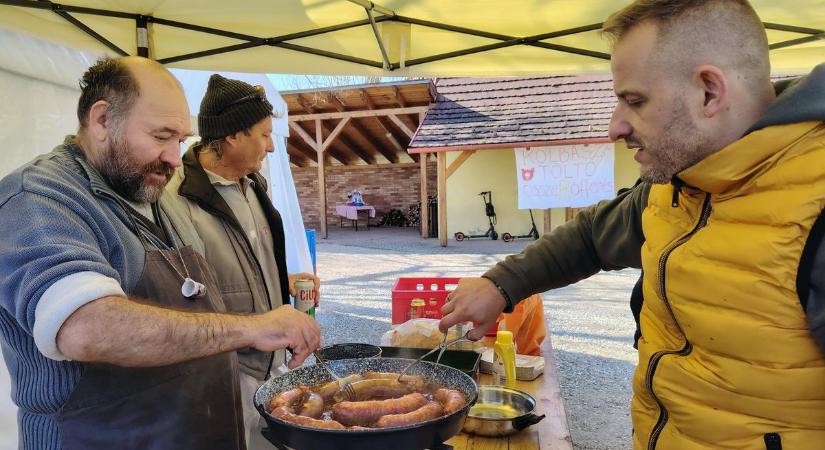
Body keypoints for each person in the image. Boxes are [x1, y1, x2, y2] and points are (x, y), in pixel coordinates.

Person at [439, 0, 825, 448]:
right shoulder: (678, 184)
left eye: (635, 101)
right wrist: (499, 286)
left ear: (709, 92)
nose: (614, 127)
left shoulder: (814, 208)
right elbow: (589, 237)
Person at [0, 56, 320, 450]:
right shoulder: (38, 200)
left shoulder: (150, 191)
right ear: (102, 120)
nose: (173, 157)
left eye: (180, 140)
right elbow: (87, 328)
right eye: (161, 136)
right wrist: (251, 327)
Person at [163, 74, 320, 449]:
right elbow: (179, 295)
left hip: (271, 363)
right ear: (232, 135)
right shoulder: (173, 197)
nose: (270, 148)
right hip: (223, 376)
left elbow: (247, 261)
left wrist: (283, 279)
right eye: (264, 135)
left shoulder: (253, 184)